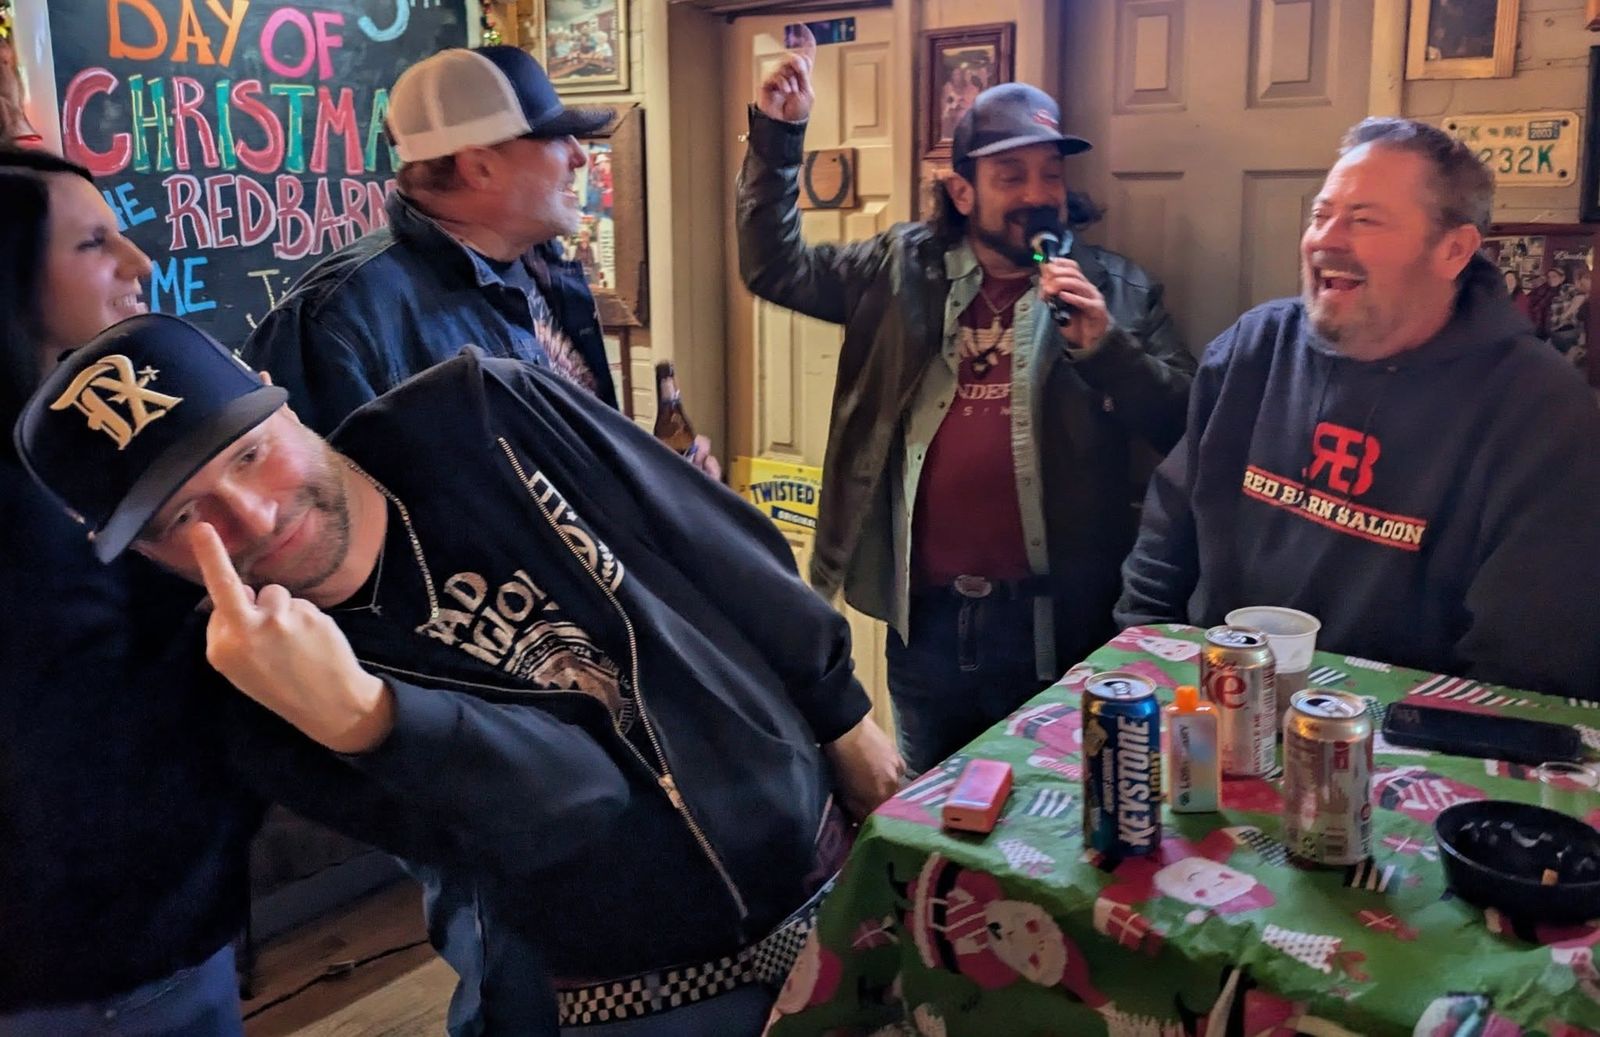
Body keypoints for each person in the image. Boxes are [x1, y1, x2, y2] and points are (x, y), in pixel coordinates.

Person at [16, 313, 906, 1036]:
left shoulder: (481, 411)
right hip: (639, 989)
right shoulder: (249, 694)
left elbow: (721, 550)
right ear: (144, 555)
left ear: (277, 397)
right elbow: (576, 805)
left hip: (822, 866)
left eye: (248, 454)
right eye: (185, 516)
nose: (253, 516)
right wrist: (371, 716)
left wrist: (846, 720)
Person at [738, 62, 1195, 773]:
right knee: (935, 811)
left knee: (1052, 810)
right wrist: (779, 138)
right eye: (1011, 176)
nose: (1038, 195)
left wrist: (1107, 348)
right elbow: (775, 269)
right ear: (962, 191)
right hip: (927, 626)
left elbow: (1187, 427)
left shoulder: (1118, 289)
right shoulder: (898, 268)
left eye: (1050, 175)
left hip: (1057, 626)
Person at [1115, 117, 1600, 700]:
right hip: (1216, 704)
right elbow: (1166, 539)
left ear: (1453, 250)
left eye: (1364, 220)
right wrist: (1144, 662)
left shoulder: (1543, 410)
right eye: (1321, 215)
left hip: (1410, 735)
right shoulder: (1252, 348)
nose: (1326, 239)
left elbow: (1529, 663)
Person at [0, 149, 260, 1034]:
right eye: (93, 244)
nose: (139, 262)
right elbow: (81, 761)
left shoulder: (71, 451)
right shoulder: (23, 508)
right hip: (98, 974)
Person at [241, 45, 719, 476]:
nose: (580, 156)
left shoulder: (541, 266)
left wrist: (658, 484)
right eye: (557, 138)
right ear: (479, 167)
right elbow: (307, 511)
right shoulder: (332, 320)